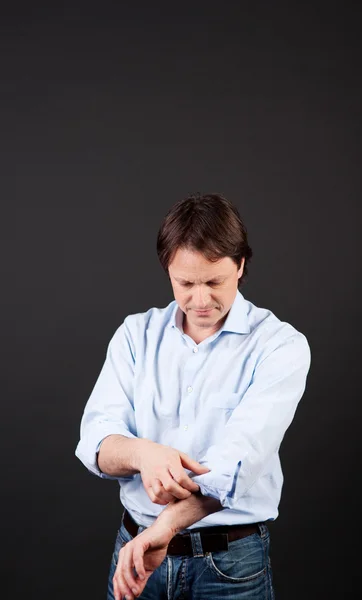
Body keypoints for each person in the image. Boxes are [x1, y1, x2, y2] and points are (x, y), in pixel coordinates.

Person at [75, 193, 311, 599]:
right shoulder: (135, 335)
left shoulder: (280, 346)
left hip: (231, 566)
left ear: (240, 265)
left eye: (214, 281)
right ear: (168, 270)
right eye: (185, 283)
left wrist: (163, 528)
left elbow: (234, 467)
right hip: (133, 556)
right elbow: (96, 442)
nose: (200, 300)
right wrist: (143, 454)